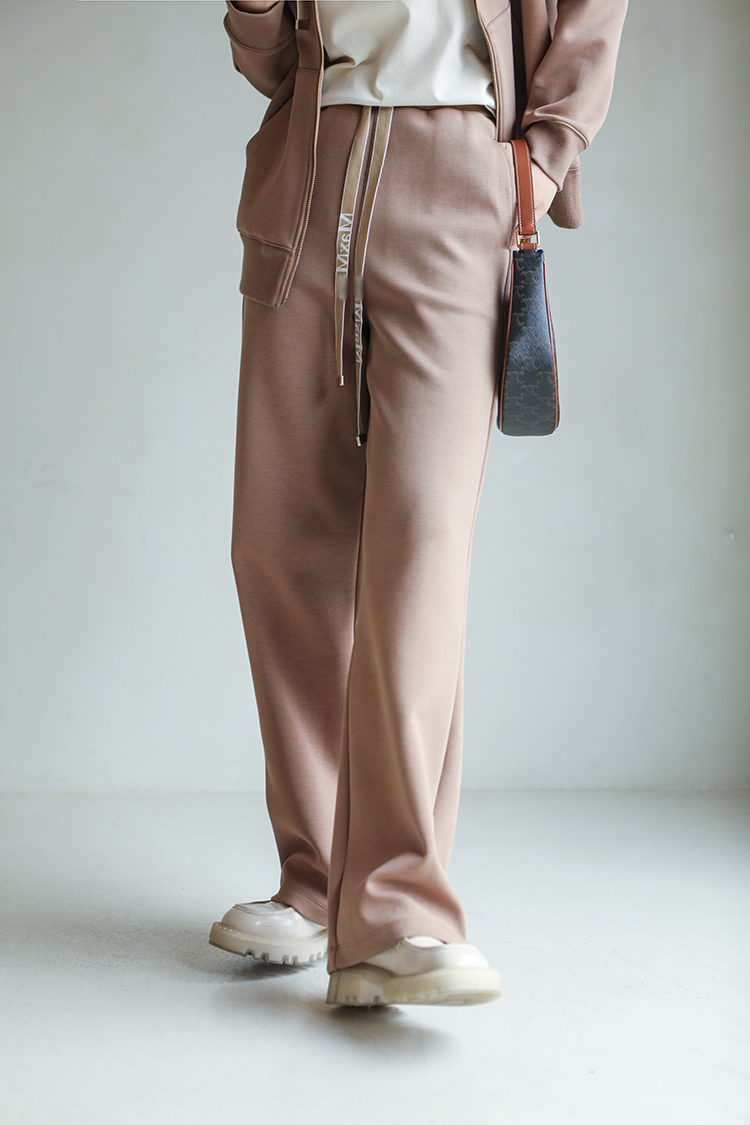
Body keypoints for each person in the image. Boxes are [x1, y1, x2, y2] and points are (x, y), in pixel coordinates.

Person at [208, 0, 628, 1007]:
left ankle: (398, 910)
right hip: (310, 171)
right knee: (281, 546)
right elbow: (267, 60)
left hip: (463, 168)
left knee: (420, 553)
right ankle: (317, 886)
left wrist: (542, 159)